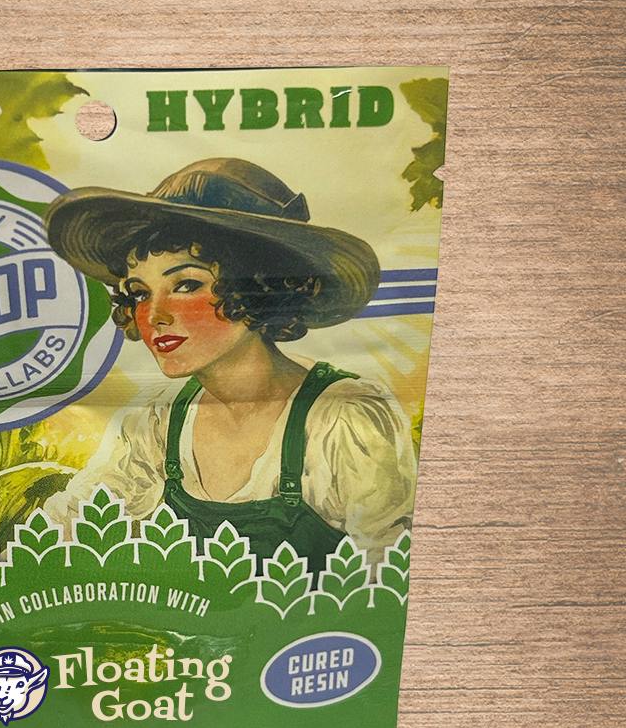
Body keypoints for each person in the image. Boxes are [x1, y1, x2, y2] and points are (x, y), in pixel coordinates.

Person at [40, 157, 417, 575]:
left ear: (256, 288)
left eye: (186, 285)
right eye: (140, 293)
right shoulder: (158, 422)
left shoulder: (342, 418)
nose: (155, 315)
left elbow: (388, 573)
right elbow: (74, 525)